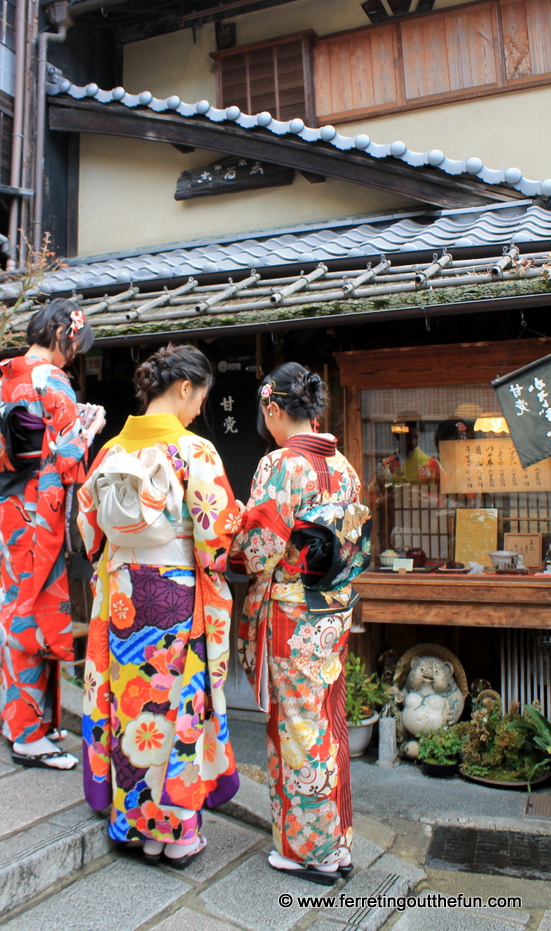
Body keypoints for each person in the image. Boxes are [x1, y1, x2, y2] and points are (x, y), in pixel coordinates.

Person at [77, 344, 240, 868]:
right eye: (200, 399)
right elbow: (216, 539)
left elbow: (88, 532)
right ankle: (177, 834)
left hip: (122, 597)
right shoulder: (196, 452)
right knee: (176, 710)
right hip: (175, 597)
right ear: (186, 388)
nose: (199, 411)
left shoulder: (110, 451)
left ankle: (137, 827)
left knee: (132, 708)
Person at [231, 362, 369, 886]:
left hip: (292, 612)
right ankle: (336, 843)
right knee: (326, 721)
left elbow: (262, 548)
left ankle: (308, 851)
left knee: (297, 728)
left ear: (272, 407)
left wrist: (238, 531)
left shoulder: (281, 464)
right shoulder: (345, 466)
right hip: (331, 609)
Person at [0, 300, 105, 769]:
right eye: (76, 342)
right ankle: (28, 736)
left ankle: (30, 720)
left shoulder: (9, 375)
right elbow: (64, 461)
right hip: (39, 509)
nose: (76, 352)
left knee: (17, 602)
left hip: (11, 504)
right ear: (62, 332)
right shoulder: (52, 380)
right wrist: (89, 428)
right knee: (33, 610)